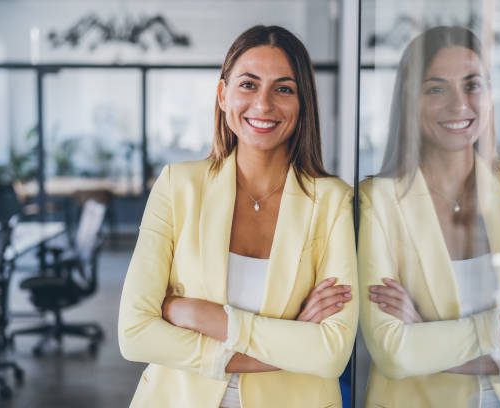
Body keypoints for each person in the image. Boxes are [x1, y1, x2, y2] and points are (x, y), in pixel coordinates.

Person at [119, 25, 358, 408]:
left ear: (302, 103)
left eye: (283, 88)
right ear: (223, 94)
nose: (263, 104)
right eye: (248, 84)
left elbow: (330, 353)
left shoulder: (334, 202)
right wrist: (291, 337)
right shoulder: (177, 186)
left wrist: (198, 314)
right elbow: (135, 334)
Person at [359, 26, 500, 408]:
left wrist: (429, 336)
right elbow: (395, 353)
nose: (459, 104)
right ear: (411, 101)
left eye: (472, 85)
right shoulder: (378, 199)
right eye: (436, 88)